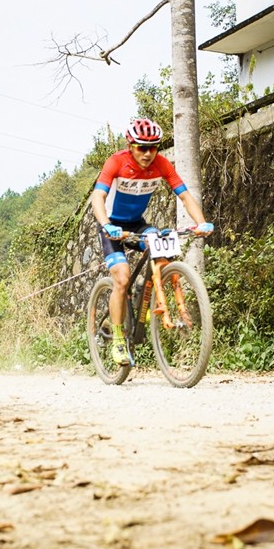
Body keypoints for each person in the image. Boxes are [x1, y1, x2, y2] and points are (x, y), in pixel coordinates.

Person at [91, 118, 213, 366]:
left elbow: (185, 195)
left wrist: (201, 222)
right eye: (141, 147)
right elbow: (98, 197)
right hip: (111, 226)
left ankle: (142, 293)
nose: (147, 153)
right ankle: (117, 341)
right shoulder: (116, 162)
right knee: (122, 277)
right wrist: (107, 225)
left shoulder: (162, 164)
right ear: (130, 145)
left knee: (161, 252)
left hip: (136, 223)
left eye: (153, 147)